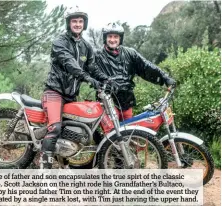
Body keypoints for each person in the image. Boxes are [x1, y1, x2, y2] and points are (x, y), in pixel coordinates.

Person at [40, 6, 108, 169]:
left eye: (80, 21)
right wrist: (86, 78)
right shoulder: (59, 42)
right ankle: (44, 173)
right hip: (55, 92)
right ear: (68, 23)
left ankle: (68, 165)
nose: (77, 24)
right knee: (55, 129)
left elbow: (92, 67)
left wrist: (106, 80)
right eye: (74, 21)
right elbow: (70, 63)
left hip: (71, 95)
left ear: (84, 24)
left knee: (77, 131)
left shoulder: (86, 46)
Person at [94, 22, 176, 132]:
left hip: (127, 101)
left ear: (120, 38)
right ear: (105, 38)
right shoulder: (97, 56)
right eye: (110, 36)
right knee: (112, 135)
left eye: (115, 37)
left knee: (130, 134)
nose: (112, 40)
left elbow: (146, 66)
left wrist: (165, 77)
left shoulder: (130, 53)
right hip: (107, 102)